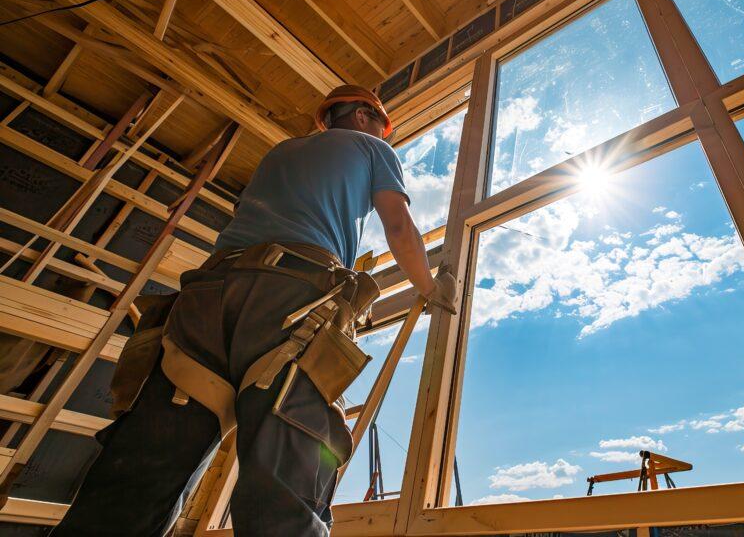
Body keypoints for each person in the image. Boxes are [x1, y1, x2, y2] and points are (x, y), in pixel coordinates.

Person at [52, 86, 456, 536]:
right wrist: (430, 285)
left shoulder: (282, 152)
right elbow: (397, 225)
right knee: (284, 477)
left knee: (139, 473)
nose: (387, 135)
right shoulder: (371, 147)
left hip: (205, 298)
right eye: (384, 125)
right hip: (288, 297)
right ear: (363, 116)